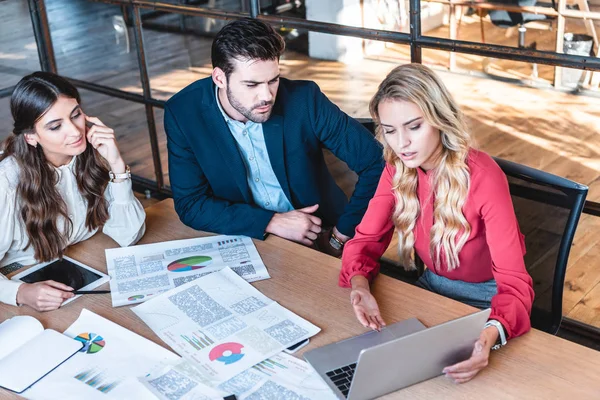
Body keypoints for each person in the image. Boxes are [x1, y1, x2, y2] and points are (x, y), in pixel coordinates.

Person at [339, 64, 534, 383]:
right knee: (382, 365)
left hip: (487, 299)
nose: (401, 143)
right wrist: (359, 287)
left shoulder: (484, 177)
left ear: (439, 119)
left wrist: (489, 337)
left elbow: (514, 281)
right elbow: (365, 242)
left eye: (413, 126)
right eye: (390, 130)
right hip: (432, 286)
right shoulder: (398, 168)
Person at [164, 18, 384, 256]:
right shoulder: (183, 113)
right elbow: (190, 204)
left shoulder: (305, 100)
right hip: (246, 237)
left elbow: (376, 163)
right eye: (252, 84)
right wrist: (271, 221)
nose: (266, 95)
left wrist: (340, 236)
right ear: (219, 78)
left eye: (273, 80)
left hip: (322, 236)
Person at [0, 72, 146, 311]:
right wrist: (20, 292)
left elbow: (128, 235)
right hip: (21, 281)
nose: (75, 131)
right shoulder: (6, 182)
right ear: (31, 137)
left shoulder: (92, 153)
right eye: (55, 126)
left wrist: (117, 165)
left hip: (77, 263)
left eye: (76, 114)